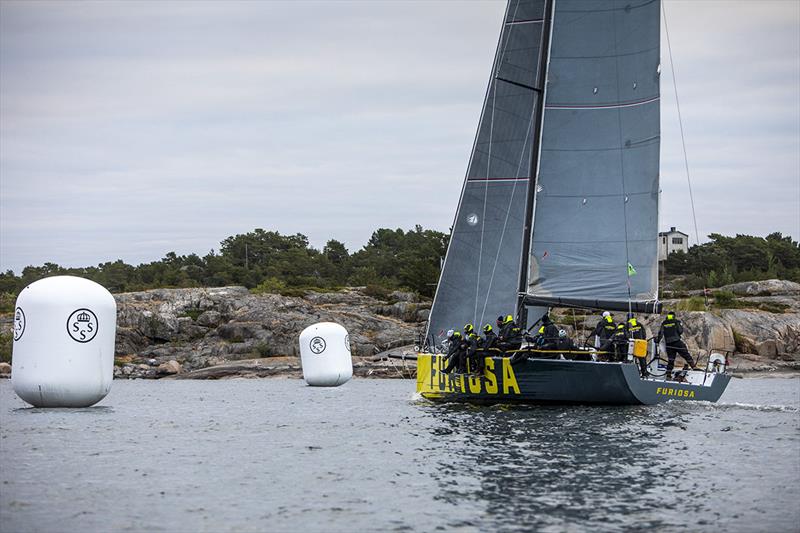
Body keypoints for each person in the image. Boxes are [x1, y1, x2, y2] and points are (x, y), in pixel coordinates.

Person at [656, 311, 697, 380]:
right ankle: (693, 367)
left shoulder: (664, 323)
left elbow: (660, 333)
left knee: (671, 359)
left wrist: (657, 341)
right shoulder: (676, 321)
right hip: (677, 342)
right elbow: (680, 331)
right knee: (686, 354)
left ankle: (668, 374)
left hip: (668, 344)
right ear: (674, 316)